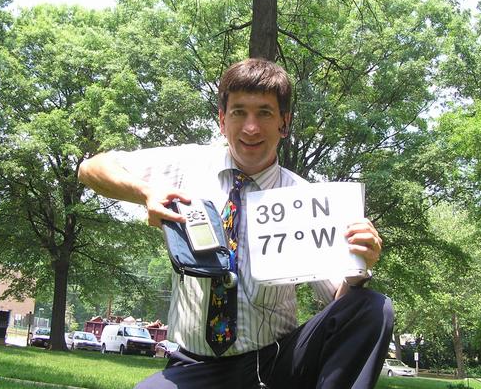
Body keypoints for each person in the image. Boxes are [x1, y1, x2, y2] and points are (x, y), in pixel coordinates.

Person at [78, 58, 393, 389]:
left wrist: (359, 263)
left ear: (284, 123)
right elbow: (92, 168)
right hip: (194, 365)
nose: (251, 127)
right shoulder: (187, 166)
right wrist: (146, 193)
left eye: (265, 113)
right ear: (221, 119)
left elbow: (340, 304)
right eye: (239, 112)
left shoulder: (306, 198)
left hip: (276, 362)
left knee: (372, 307)